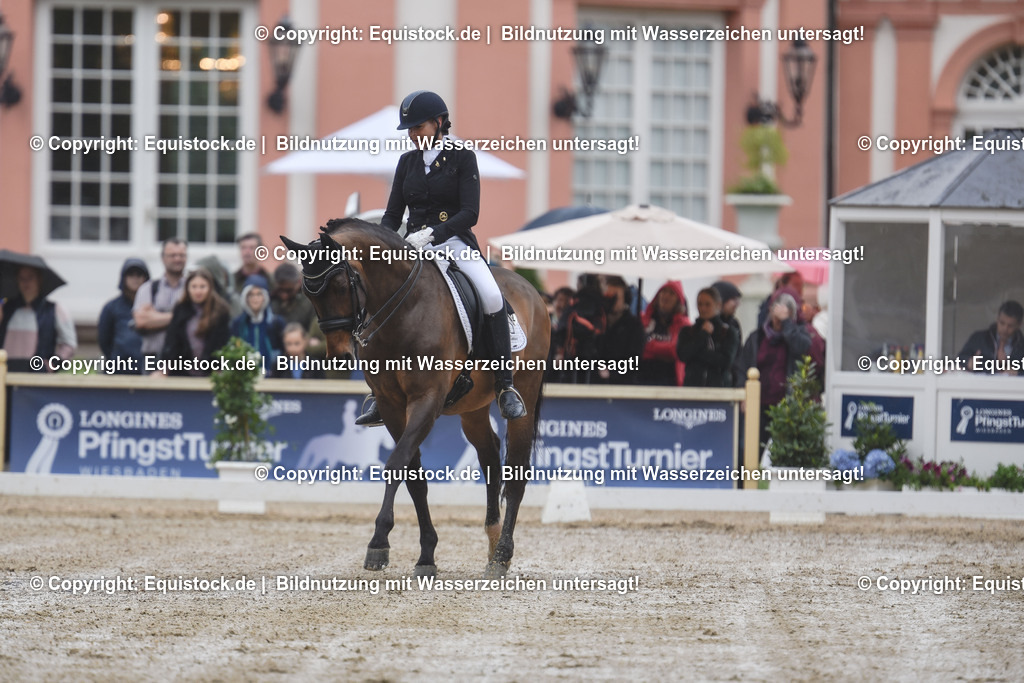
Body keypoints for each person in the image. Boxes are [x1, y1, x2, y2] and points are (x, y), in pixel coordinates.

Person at [358, 89, 526, 424]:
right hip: (413, 246)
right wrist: (385, 242)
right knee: (380, 297)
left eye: (417, 127)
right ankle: (381, 392)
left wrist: (434, 233)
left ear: (438, 123)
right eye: (409, 129)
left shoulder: (463, 157)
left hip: (454, 243)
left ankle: (505, 385)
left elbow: (469, 212)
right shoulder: (407, 162)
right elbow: (393, 214)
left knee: (492, 295)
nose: (412, 135)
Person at [739, 289, 812, 451]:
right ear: (770, 311)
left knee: (781, 452)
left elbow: (801, 347)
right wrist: (743, 395)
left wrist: (787, 324)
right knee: (752, 450)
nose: (777, 320)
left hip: (785, 408)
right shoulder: (757, 337)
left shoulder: (798, 334)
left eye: (783, 316)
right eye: (776, 314)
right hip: (758, 405)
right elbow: (742, 368)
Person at [0, 265, 77, 372]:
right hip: (7, 372)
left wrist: (52, 365)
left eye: (30, 278)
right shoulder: (6, 309)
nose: (26, 283)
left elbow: (69, 344)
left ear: (39, 280)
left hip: (37, 373)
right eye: (22, 278)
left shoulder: (54, 309)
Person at [158, 267, 232, 376]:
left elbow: (222, 344)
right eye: (194, 287)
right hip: (183, 372)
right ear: (187, 288)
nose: (198, 291)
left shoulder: (221, 311)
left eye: (202, 287)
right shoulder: (180, 309)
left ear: (210, 288)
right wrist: (163, 369)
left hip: (211, 372)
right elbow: (171, 341)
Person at [134, 238, 187, 359]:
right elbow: (141, 321)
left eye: (181, 255)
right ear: (163, 258)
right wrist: (180, 316)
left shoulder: (193, 288)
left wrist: (155, 316)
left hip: (184, 358)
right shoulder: (148, 289)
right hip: (152, 355)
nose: (177, 259)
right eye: (172, 255)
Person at [676, 287, 739, 388]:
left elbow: (725, 361)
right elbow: (683, 355)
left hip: (719, 389)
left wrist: (697, 354)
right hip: (692, 389)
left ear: (718, 305)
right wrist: (703, 335)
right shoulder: (687, 331)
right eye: (700, 304)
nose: (703, 308)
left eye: (707, 304)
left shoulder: (728, 332)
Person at [97, 259, 150, 374]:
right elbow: (104, 340)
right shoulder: (111, 307)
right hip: (119, 369)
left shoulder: (153, 306)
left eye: (139, 274)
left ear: (145, 278)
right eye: (131, 274)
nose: (135, 278)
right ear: (124, 278)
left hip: (146, 368)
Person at [638, 280, 690, 386]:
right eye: (663, 291)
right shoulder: (643, 320)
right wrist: (662, 351)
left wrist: (649, 345)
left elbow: (675, 350)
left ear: (678, 300)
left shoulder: (684, 325)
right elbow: (637, 347)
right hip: (641, 380)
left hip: (670, 383)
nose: (666, 296)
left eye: (671, 293)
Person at [595, 276, 644, 384]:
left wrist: (611, 372)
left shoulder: (634, 326)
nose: (611, 302)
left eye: (615, 297)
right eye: (607, 297)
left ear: (625, 298)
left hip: (622, 387)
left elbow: (634, 362)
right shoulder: (597, 324)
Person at [231, 274, 285, 369]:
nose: (255, 298)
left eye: (259, 294)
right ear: (245, 298)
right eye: (251, 295)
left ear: (265, 297)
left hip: (272, 376)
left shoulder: (275, 323)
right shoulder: (238, 324)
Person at [957, 300, 1024, 376]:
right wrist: (968, 363)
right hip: (981, 386)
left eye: (1010, 326)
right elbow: (960, 359)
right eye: (1002, 323)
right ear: (997, 319)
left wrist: (1018, 373)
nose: (1005, 329)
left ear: (1019, 325)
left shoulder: (1022, 346)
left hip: (1012, 387)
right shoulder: (979, 338)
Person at [712, 280, 744, 387]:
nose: (736, 304)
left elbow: (739, 355)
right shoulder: (707, 324)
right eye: (733, 300)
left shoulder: (734, 324)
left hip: (731, 382)